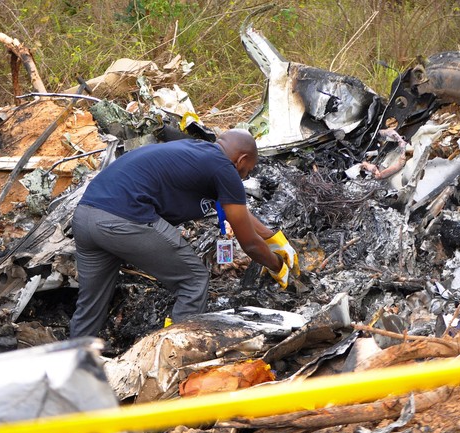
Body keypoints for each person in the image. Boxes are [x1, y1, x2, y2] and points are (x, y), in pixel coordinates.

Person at [69, 129, 300, 338]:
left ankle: (71, 372)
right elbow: (249, 244)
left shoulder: (196, 153)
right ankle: (175, 354)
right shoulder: (223, 167)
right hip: (125, 220)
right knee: (193, 280)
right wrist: (278, 266)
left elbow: (237, 214)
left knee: (91, 305)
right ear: (241, 160)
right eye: (246, 171)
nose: (243, 177)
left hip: (85, 217)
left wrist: (274, 239)